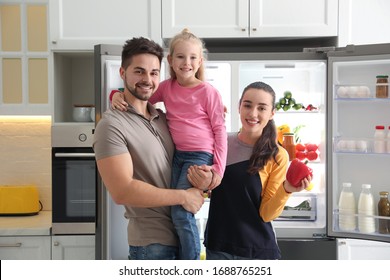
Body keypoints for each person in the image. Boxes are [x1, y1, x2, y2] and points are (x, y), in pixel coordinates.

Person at [110, 29, 227, 260]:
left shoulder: (208, 92)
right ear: (171, 61)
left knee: (181, 213)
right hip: (177, 156)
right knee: (172, 208)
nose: (187, 63)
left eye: (193, 57)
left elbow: (220, 131)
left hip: (198, 157)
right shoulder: (166, 87)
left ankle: (191, 263)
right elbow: (140, 98)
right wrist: (116, 93)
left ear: (200, 61)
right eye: (181, 57)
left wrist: (218, 171)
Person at [93, 37, 205, 260]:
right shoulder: (111, 125)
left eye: (154, 73)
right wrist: (183, 197)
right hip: (151, 246)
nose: (147, 79)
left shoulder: (162, 118)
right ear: (123, 73)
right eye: (139, 71)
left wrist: (204, 180)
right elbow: (122, 191)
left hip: (183, 238)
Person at [187, 81, 311, 260]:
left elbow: (267, 214)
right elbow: (209, 186)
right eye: (247, 105)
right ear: (239, 107)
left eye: (262, 108)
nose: (253, 113)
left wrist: (287, 189)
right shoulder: (221, 143)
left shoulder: (277, 155)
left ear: (272, 113)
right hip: (219, 245)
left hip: (257, 251)